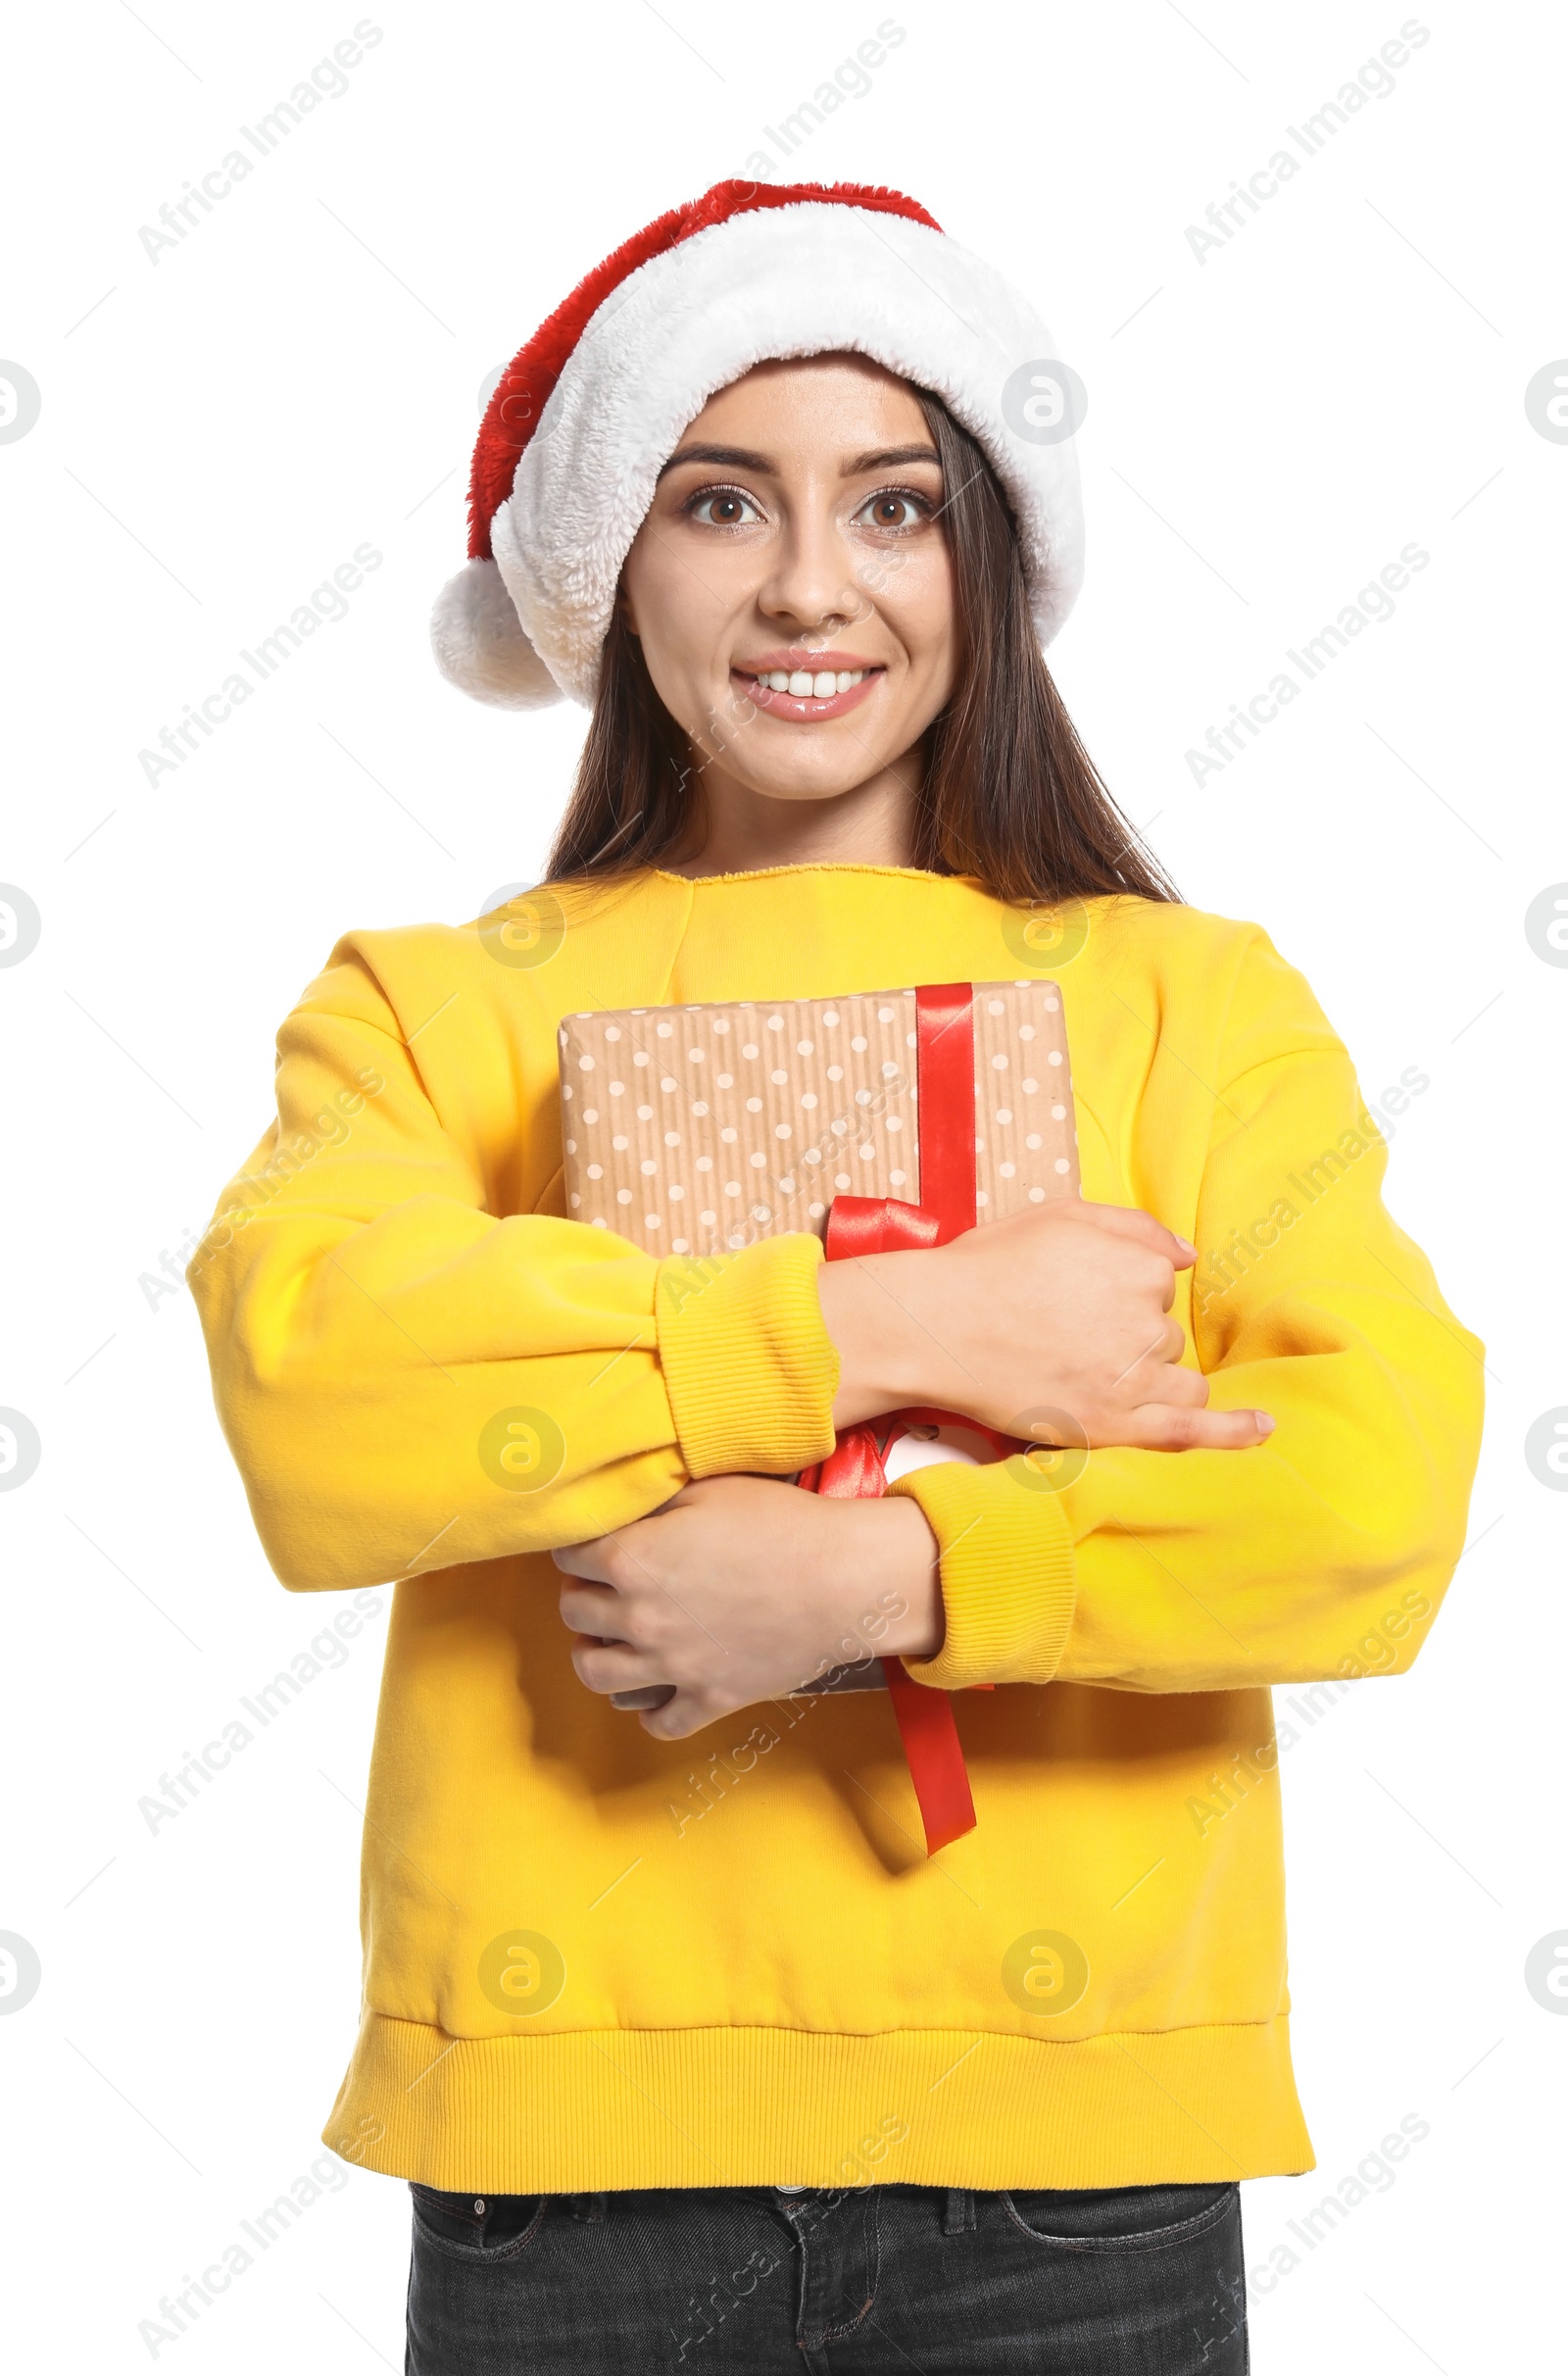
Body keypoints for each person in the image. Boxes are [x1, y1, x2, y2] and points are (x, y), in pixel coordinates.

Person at [189, 181, 1483, 2374]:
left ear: (979, 562)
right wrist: (890, 1329)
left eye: (890, 506)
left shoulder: (1185, 1002)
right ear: (609, 562)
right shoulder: (433, 1009)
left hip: (1074, 2176)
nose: (809, 584)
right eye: (720, 503)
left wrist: (878, 1581)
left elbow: (1365, 1500)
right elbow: (316, 1394)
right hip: (570, 2168)